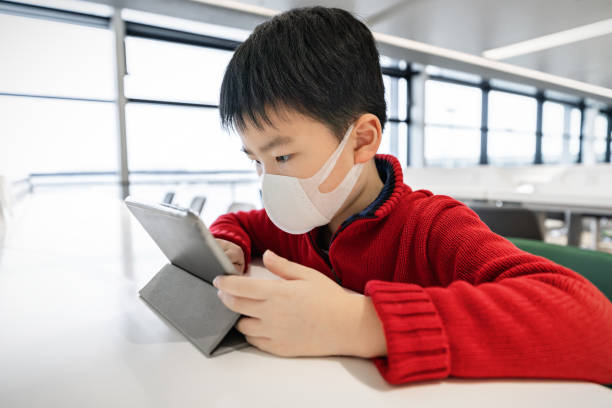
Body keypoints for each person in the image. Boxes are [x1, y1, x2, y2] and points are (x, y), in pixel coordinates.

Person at [209, 6, 612, 385]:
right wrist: (228, 243)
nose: (268, 181)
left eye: (282, 155)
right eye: (256, 161)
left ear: (361, 141)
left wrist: (363, 324)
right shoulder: (301, 223)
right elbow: (240, 222)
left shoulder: (430, 227)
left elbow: (595, 325)